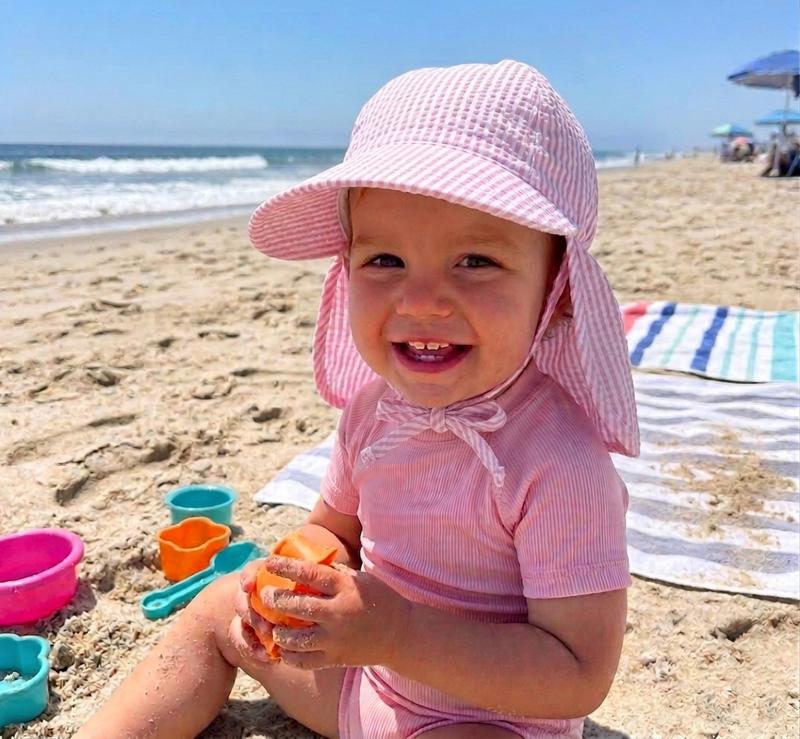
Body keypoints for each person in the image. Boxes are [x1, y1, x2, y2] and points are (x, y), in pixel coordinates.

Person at [75, 60, 639, 739]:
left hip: (489, 716)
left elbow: (578, 671)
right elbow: (335, 529)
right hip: (363, 680)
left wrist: (398, 632)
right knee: (215, 605)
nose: (423, 300)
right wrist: (301, 576)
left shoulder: (559, 461)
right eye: (385, 261)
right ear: (346, 270)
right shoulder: (375, 410)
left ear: (558, 294)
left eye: (476, 261)